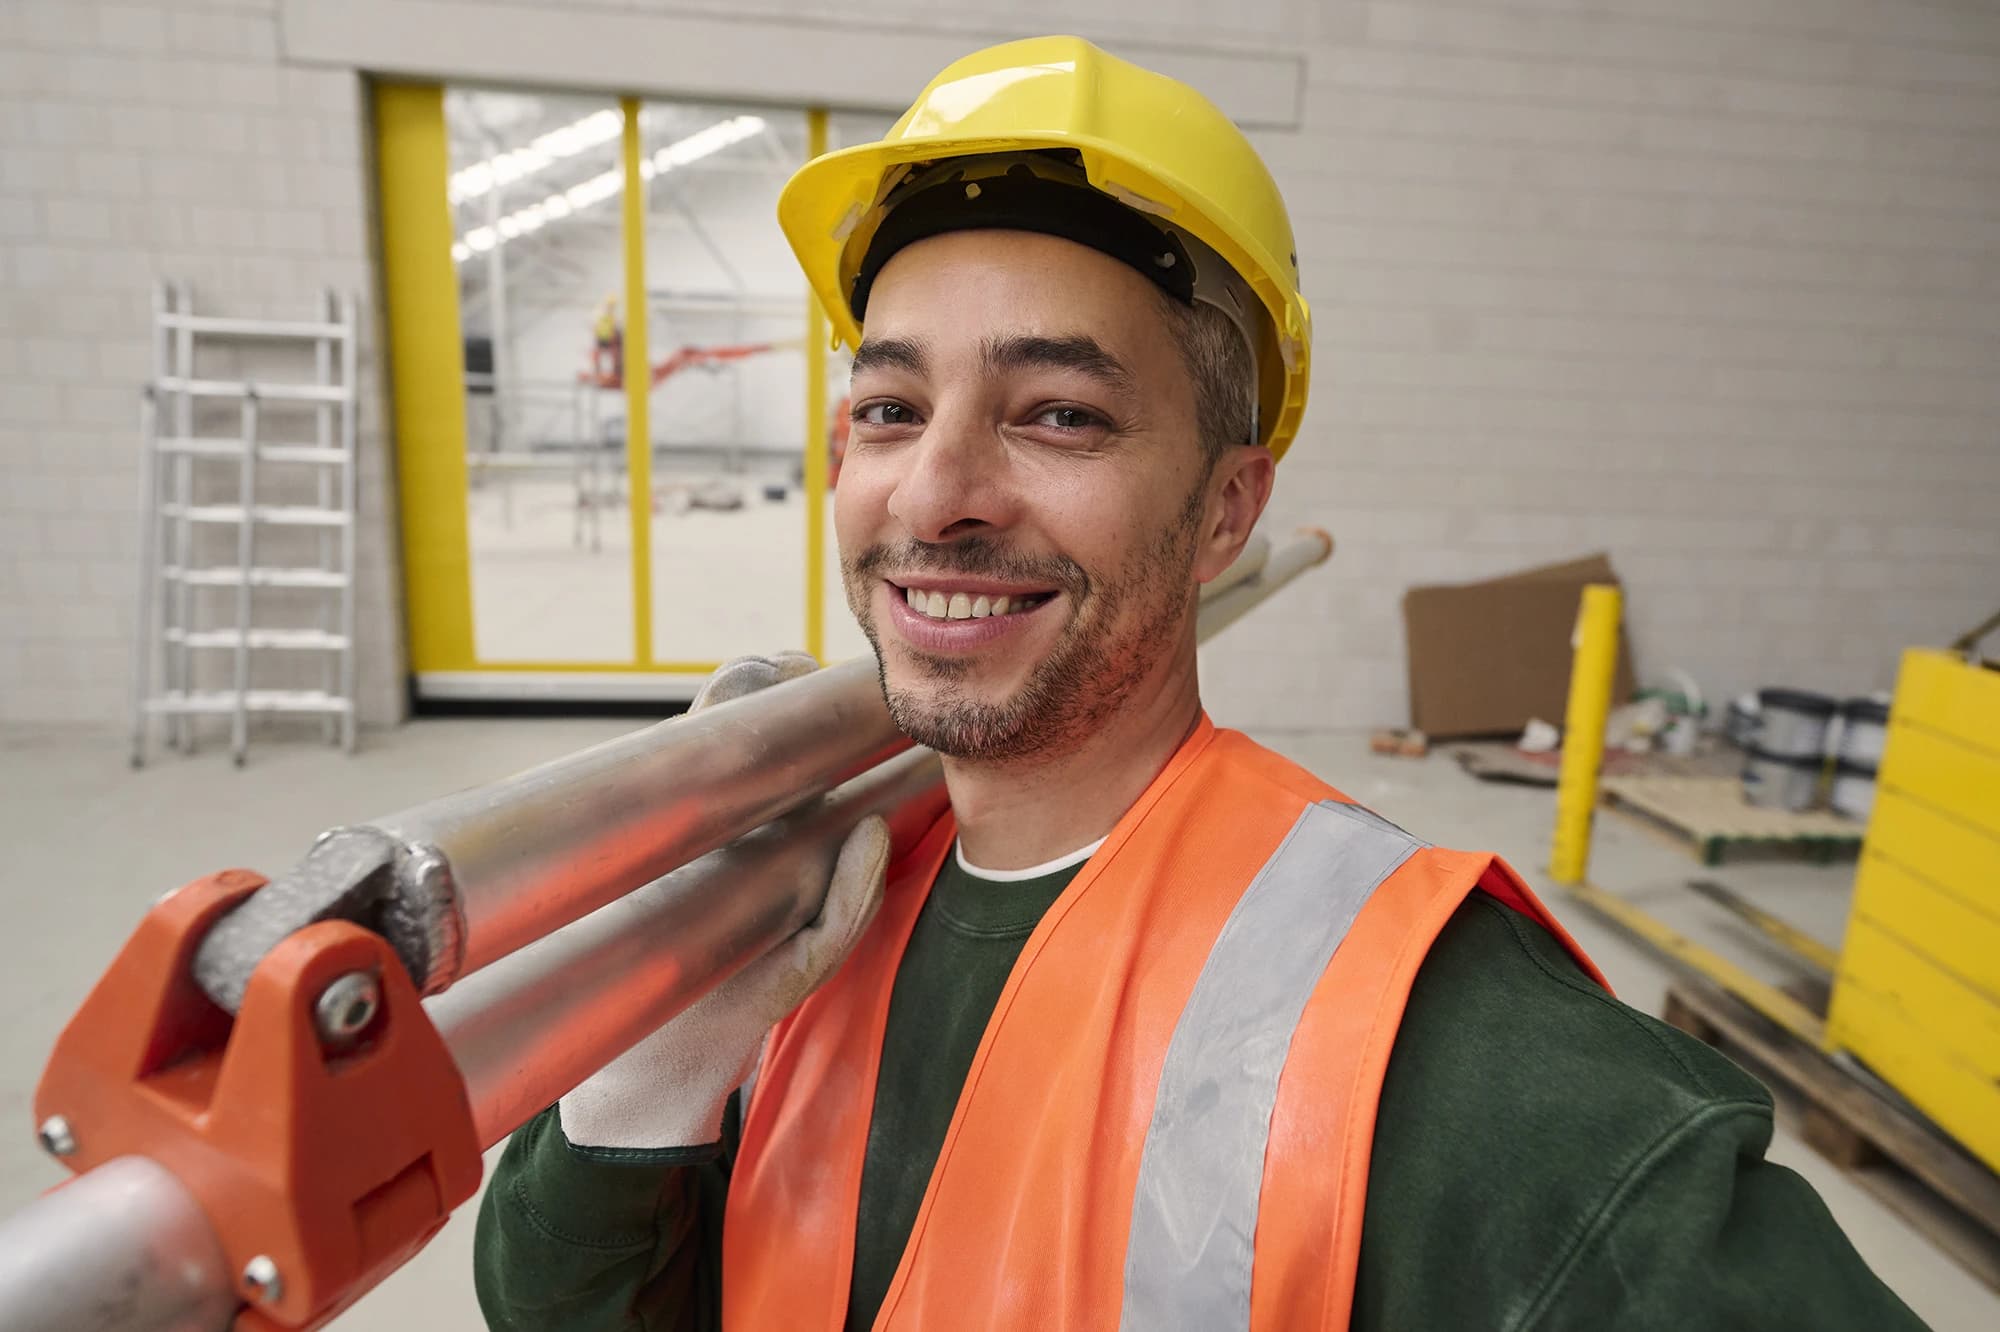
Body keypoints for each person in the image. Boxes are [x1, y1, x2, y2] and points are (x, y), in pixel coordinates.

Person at [474, 37, 1925, 1331]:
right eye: (891, 408)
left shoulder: (1442, 1049)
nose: (940, 492)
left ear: (1229, 512)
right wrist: (637, 1093)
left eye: (1059, 413)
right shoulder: (781, 906)